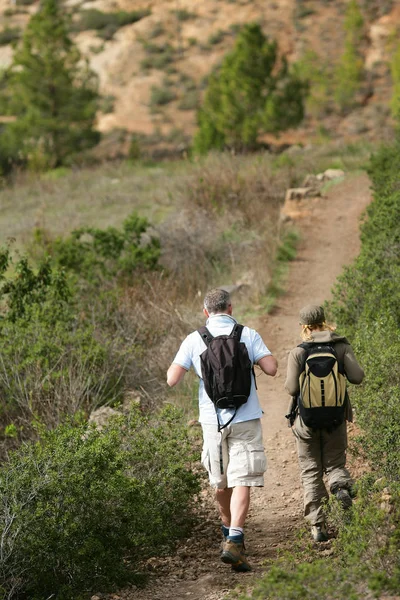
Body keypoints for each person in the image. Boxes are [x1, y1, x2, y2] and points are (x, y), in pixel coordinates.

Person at [167, 288, 277, 572]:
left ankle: (227, 534)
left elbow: (171, 379)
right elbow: (272, 368)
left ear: (206, 312)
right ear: (230, 308)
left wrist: (199, 368)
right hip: (246, 418)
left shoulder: (194, 339)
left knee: (221, 481)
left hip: (211, 421)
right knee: (244, 479)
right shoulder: (248, 334)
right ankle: (236, 540)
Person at [285, 304, 364, 542]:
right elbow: (357, 377)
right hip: (335, 419)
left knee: (310, 469)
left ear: (303, 327)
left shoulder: (299, 352)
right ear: (325, 321)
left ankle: (318, 526)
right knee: (335, 463)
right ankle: (340, 488)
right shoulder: (340, 346)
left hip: (306, 421)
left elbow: (291, 388)